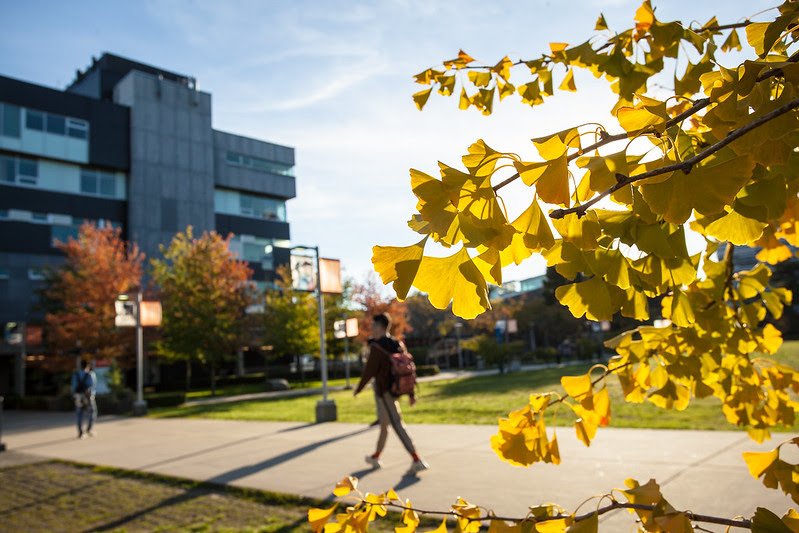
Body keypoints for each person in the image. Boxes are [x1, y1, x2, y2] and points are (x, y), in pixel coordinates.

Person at [354, 313, 429, 476]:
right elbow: (408, 368)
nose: (371, 328)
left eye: (373, 325)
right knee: (384, 425)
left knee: (396, 424)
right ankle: (376, 457)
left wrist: (358, 389)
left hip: (385, 391)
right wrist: (411, 393)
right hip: (398, 389)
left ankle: (417, 460)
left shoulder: (377, 347)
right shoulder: (397, 344)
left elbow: (368, 372)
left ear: (380, 326)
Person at [71, 360, 97, 439]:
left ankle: (80, 432)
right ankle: (89, 429)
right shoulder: (90, 374)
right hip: (87, 396)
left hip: (78, 396)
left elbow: (73, 386)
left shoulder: (76, 374)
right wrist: (92, 395)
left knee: (79, 414)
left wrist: (74, 396)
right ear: (88, 366)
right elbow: (93, 385)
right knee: (92, 412)